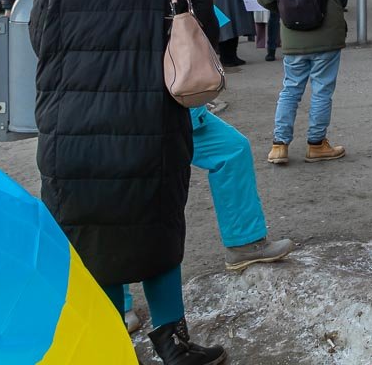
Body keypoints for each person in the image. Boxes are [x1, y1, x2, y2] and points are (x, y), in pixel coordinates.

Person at [29, 0, 227, 364]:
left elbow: (40, 41)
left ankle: (109, 339)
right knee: (156, 225)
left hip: (71, 127)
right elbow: (207, 33)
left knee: (93, 231)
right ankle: (171, 341)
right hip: (152, 125)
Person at [123, 104, 294, 333]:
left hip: (170, 103)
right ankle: (116, 305)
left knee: (232, 148)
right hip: (133, 106)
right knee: (122, 190)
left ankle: (244, 241)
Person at [258, 0, 372, 165]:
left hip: (292, 35)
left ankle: (279, 145)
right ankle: (316, 144)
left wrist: (288, 9)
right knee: (322, 90)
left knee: (290, 89)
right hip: (326, 35)